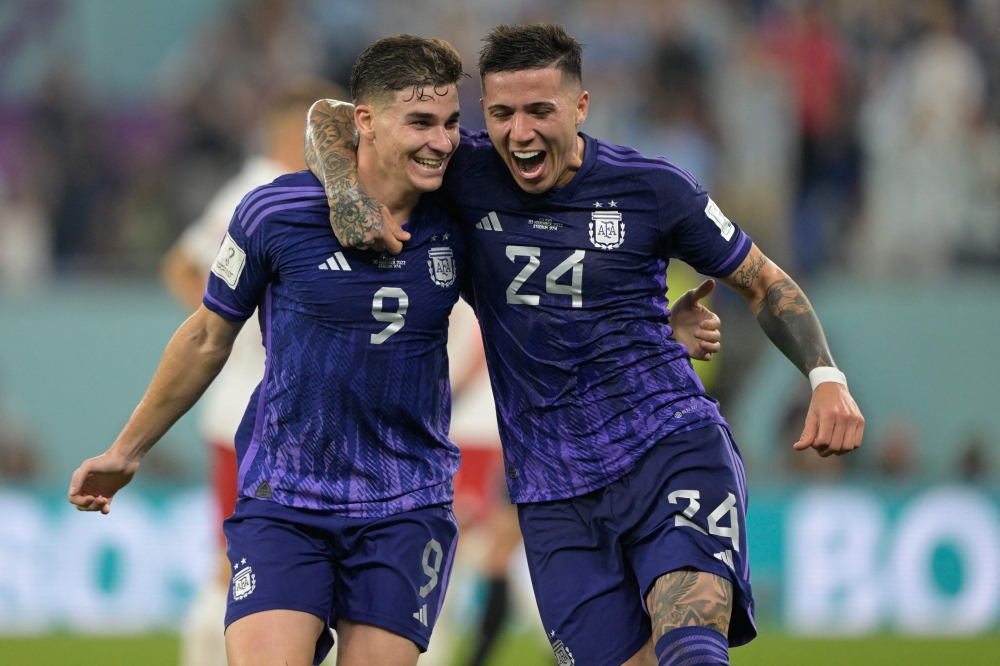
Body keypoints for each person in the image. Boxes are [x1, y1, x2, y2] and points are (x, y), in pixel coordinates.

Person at [68, 34, 721, 666]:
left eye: (448, 123)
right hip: (285, 497)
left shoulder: (461, 217)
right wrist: (126, 450)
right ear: (367, 124)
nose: (442, 142)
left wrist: (654, 334)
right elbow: (208, 335)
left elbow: (545, 305)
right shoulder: (274, 213)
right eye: (420, 123)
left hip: (405, 507)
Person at [305, 23, 864, 666]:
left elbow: (763, 282)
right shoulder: (465, 173)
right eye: (502, 113)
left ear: (581, 106)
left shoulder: (653, 190)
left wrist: (825, 377)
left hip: (668, 451)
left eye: (540, 110)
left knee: (691, 648)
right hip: (552, 494)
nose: (520, 133)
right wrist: (347, 197)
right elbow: (334, 116)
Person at [161, 78, 344, 666]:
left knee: (258, 556)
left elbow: (186, 263)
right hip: (251, 406)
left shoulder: (282, 189)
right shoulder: (260, 187)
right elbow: (182, 266)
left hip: (272, 410)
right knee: (237, 556)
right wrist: (228, 324)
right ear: (303, 134)